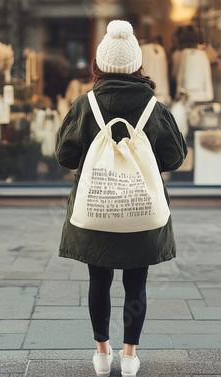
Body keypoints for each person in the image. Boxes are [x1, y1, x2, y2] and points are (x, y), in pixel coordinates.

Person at [55, 19, 188, 377]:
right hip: (140, 210)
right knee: (136, 284)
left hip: (96, 208)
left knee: (98, 282)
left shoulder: (86, 105)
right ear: (137, 66)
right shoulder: (154, 107)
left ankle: (102, 354)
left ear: (99, 65)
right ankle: (129, 358)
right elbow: (175, 157)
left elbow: (65, 156)